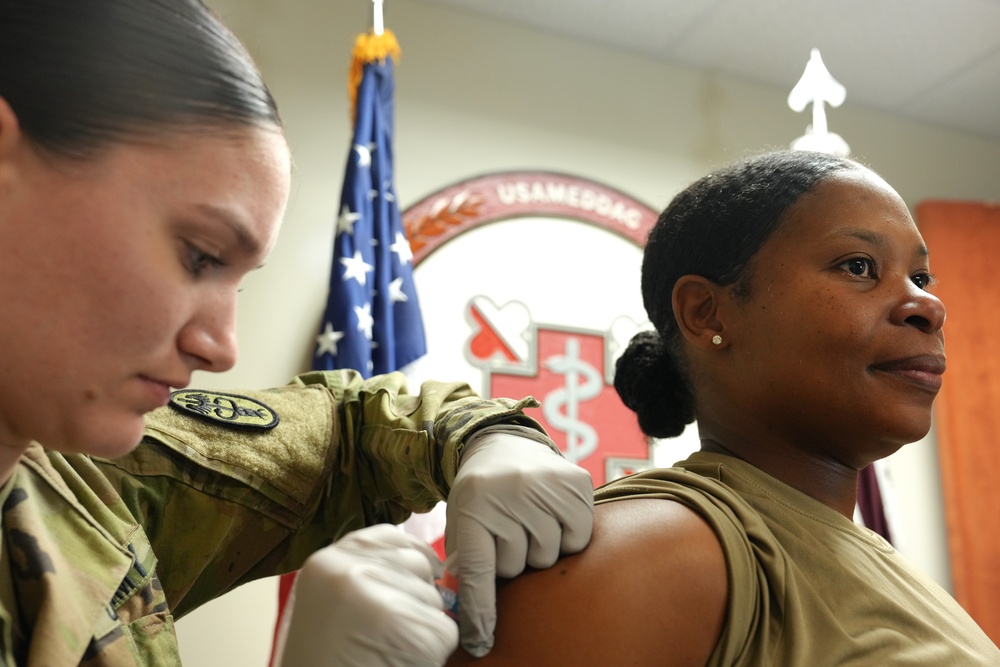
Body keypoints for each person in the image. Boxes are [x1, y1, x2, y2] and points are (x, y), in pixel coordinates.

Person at [0, 1, 593, 665]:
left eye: (238, 280)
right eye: (199, 254)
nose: (221, 347)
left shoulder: (86, 477)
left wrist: (493, 438)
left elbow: (347, 431)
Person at [445, 150, 1000, 665]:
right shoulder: (659, 552)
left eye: (921, 276)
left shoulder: (863, 555)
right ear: (707, 313)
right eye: (859, 266)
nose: (928, 305)